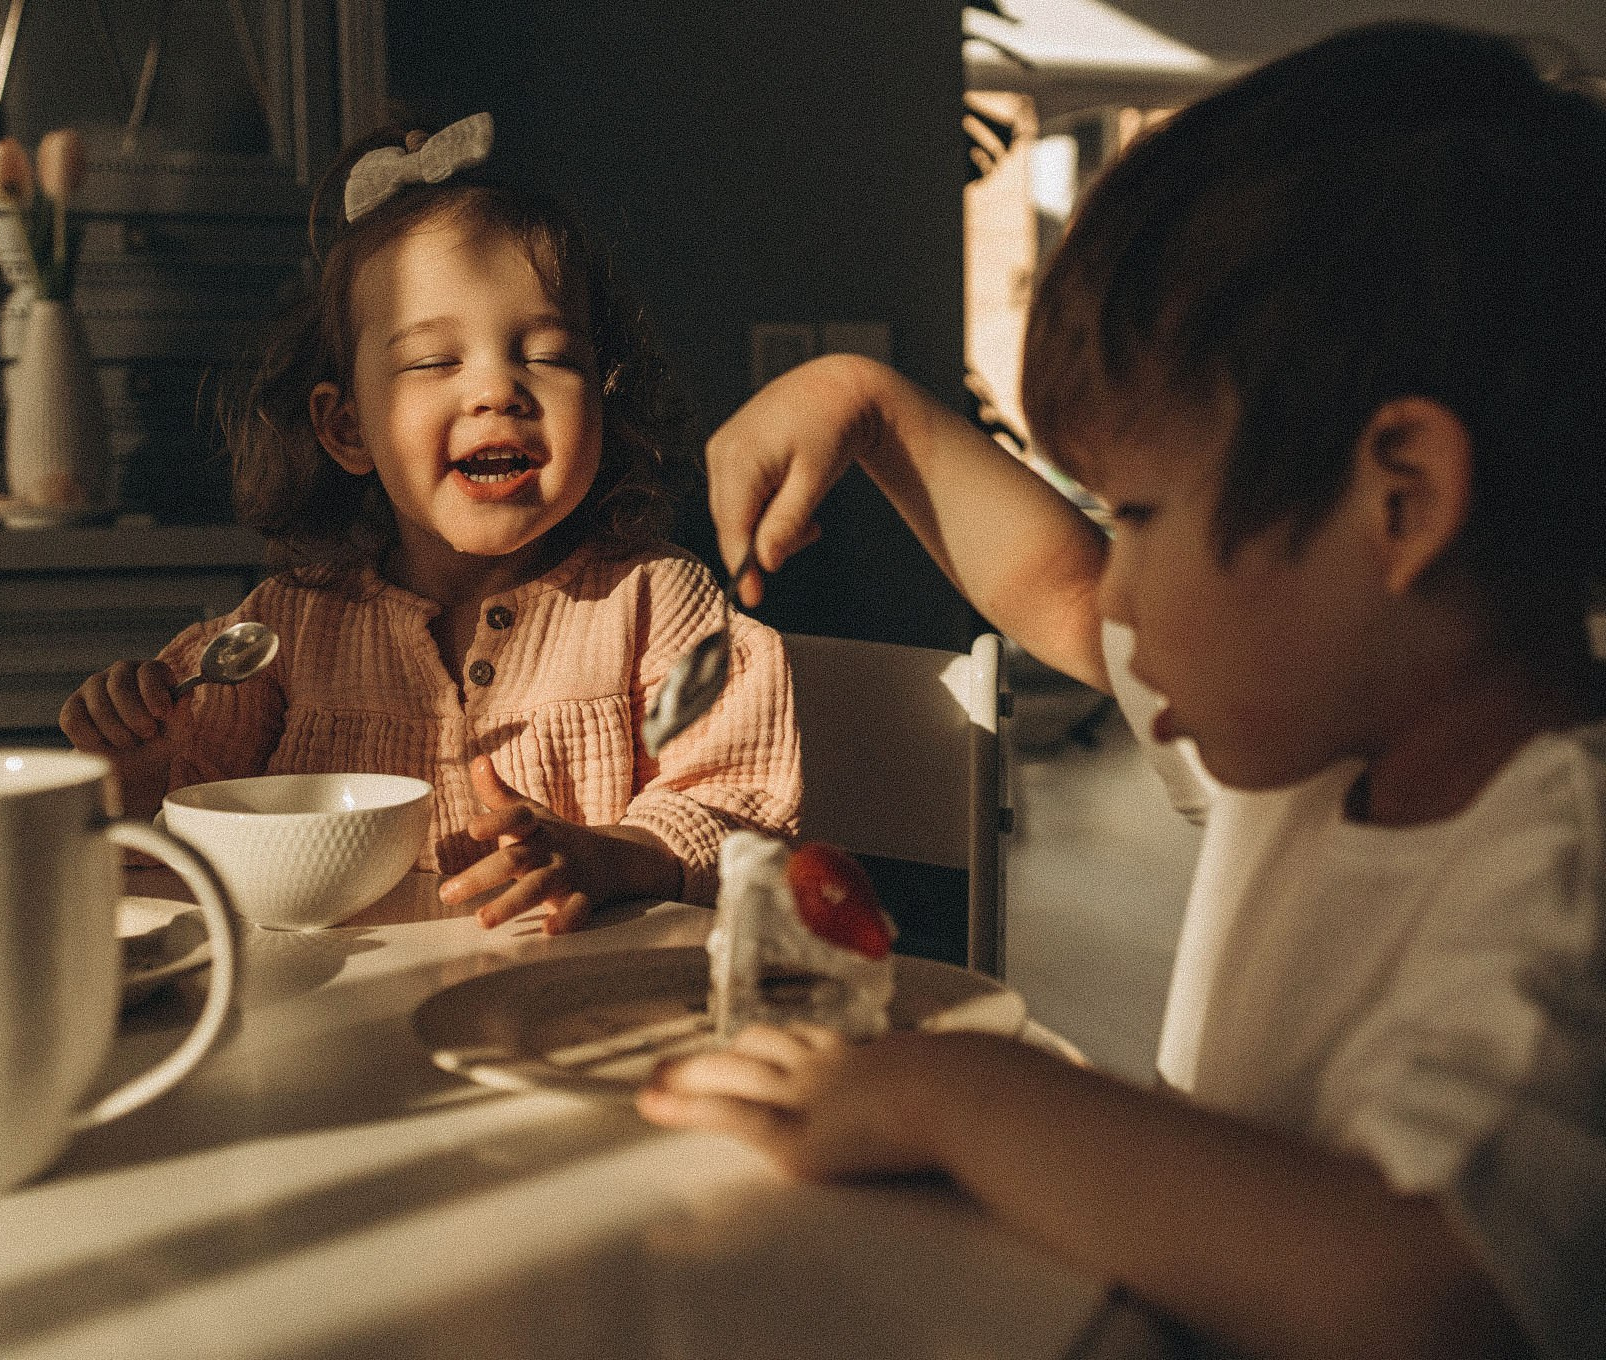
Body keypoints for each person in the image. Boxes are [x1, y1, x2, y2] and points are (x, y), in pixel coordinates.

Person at [639, 23, 1604, 1360]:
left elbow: (1425, 1290)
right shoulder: (1321, 736)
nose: (1119, 593)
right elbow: (1052, 587)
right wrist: (879, 414)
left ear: (1403, 502)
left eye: (1141, 514)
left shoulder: (1560, 892)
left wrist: (963, 1099)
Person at [62, 114, 800, 933]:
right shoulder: (284, 635)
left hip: (583, 1019)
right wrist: (135, 762)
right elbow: (160, 843)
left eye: (549, 355)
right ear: (346, 428)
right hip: (338, 1021)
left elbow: (742, 810)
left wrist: (610, 856)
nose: (497, 391)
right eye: (434, 362)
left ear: (604, 393)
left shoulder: (660, 606)